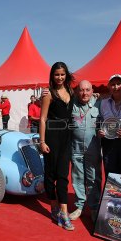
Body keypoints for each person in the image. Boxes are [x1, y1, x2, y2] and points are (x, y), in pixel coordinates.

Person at [39, 62, 74, 231]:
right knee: (50, 174)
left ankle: (64, 212)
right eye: (56, 74)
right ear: (52, 76)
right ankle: (53, 207)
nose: (59, 77)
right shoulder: (48, 94)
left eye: (62, 74)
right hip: (52, 137)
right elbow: (43, 119)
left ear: (66, 75)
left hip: (66, 138)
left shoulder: (71, 92)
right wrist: (42, 141)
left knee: (63, 175)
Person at [68, 80, 102, 222]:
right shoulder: (71, 103)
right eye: (82, 90)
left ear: (92, 90)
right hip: (75, 148)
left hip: (93, 148)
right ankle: (79, 206)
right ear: (77, 91)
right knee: (77, 178)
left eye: (88, 90)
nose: (85, 93)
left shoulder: (99, 103)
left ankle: (94, 207)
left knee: (94, 178)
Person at [98, 74, 121, 176]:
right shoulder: (103, 103)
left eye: (118, 84)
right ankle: (110, 193)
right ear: (109, 87)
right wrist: (100, 131)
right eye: (113, 84)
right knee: (110, 173)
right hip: (109, 142)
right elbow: (100, 121)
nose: (116, 87)